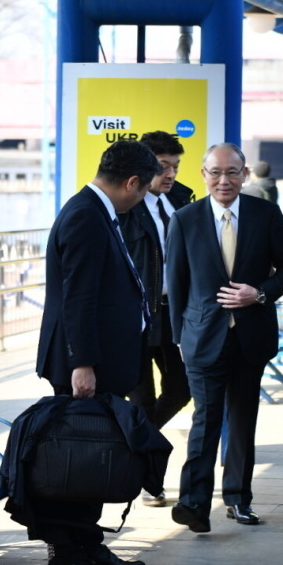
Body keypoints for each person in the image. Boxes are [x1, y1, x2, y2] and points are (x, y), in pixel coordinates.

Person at [35, 138, 161, 565]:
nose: (142, 198)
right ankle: (67, 557)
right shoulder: (87, 217)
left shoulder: (96, 211)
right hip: (84, 367)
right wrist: (82, 364)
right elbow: (79, 298)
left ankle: (87, 544)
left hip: (96, 362)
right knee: (77, 460)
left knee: (94, 458)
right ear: (131, 182)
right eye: (144, 189)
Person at [166, 143, 283, 533]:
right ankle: (193, 503)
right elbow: (176, 284)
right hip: (201, 337)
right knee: (205, 419)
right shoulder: (185, 219)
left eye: (232, 172)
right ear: (203, 174)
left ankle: (239, 498)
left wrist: (257, 293)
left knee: (243, 418)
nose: (223, 180)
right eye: (215, 172)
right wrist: (180, 338)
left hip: (251, 336)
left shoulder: (265, 213)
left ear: (244, 175)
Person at [119, 131, 192, 507]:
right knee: (142, 400)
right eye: (164, 167)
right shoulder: (125, 207)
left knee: (182, 389)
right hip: (135, 316)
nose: (171, 175)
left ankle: (138, 447)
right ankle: (150, 480)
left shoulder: (181, 199)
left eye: (176, 167)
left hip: (169, 312)